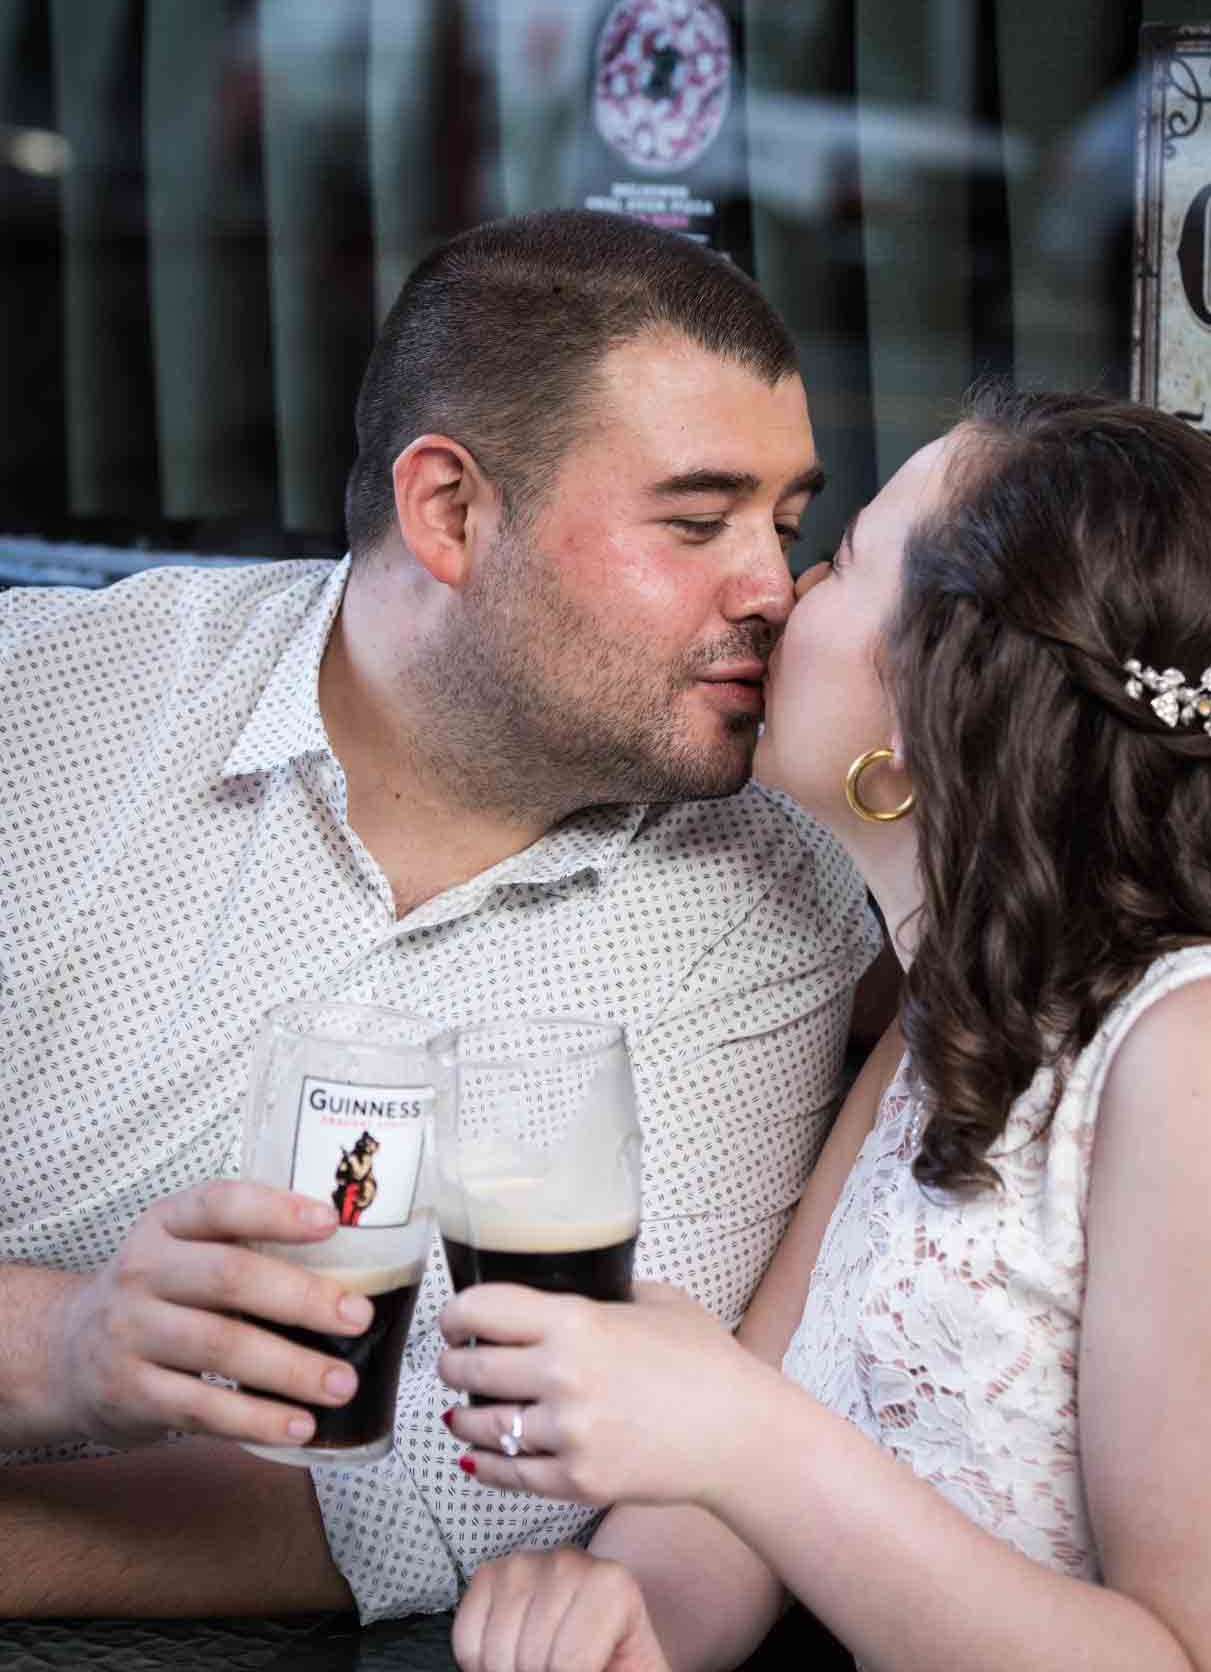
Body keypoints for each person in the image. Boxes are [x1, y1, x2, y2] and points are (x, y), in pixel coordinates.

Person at [0, 210, 881, 1623]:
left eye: (785, 524)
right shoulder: (50, 704)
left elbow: (458, 1483)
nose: (774, 589)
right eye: (696, 520)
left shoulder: (763, 901)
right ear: (451, 512)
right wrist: (60, 1349)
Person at [437, 387, 1211, 1672]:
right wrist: (614, 1610)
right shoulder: (960, 1006)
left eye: (844, 557)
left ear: (922, 701)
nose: (784, 590)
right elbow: (728, 1488)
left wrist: (745, 1436)